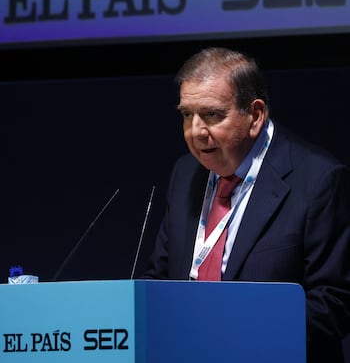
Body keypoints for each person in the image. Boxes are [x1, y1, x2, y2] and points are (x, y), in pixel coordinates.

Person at [143, 47, 350, 363]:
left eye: (212, 115)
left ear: (255, 115)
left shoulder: (319, 181)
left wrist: (233, 330)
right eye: (187, 114)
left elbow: (334, 303)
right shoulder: (185, 173)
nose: (195, 132)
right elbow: (160, 278)